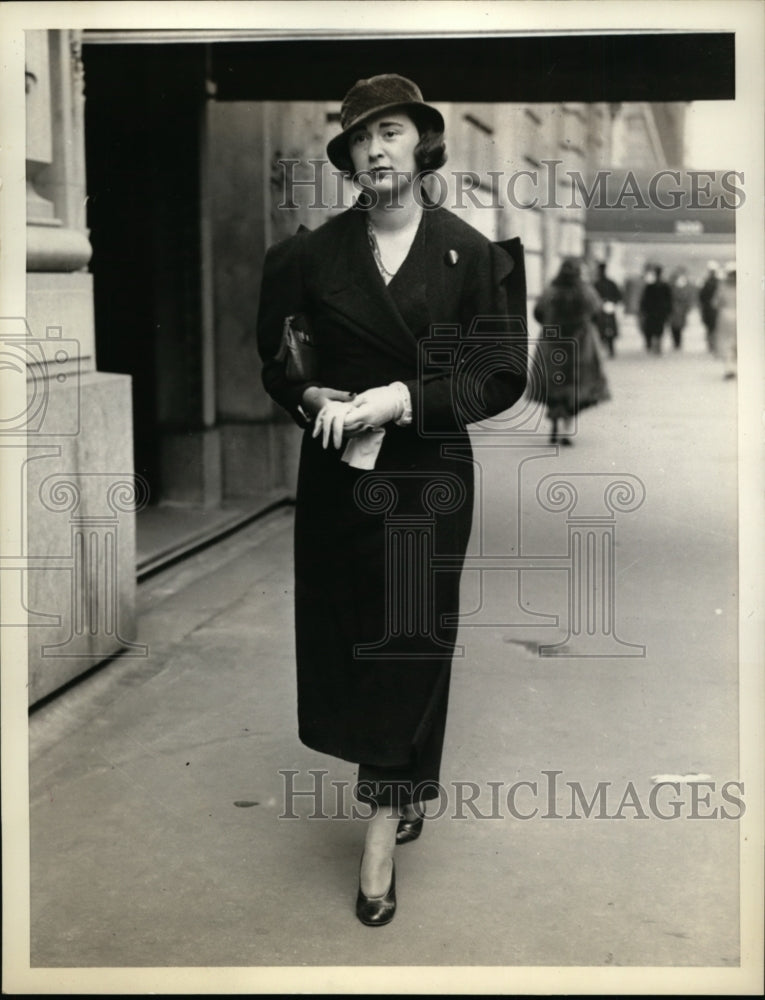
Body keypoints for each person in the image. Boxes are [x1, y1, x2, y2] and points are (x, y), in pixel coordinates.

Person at [257, 74, 527, 927]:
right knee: (352, 638)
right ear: (347, 156)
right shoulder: (310, 255)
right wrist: (315, 403)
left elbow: (498, 375)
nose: (377, 149)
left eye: (393, 133)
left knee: (412, 637)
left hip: (426, 478)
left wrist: (403, 399)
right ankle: (405, 781)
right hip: (339, 477)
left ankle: (379, 831)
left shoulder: (472, 255)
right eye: (362, 137)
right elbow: (278, 359)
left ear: (422, 146)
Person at [530, 257, 609, 445]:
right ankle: (566, 429)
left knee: (554, 383)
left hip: (553, 343)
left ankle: (555, 421)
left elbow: (538, 312)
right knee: (575, 386)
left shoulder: (551, 290)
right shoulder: (586, 291)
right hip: (579, 345)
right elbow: (597, 312)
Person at [638, 265, 672, 354]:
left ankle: (657, 346)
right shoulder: (651, 287)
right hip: (652, 311)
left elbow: (669, 300)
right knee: (651, 329)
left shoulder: (663, 287)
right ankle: (653, 345)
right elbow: (645, 299)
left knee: (658, 329)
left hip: (659, 311)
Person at [592, 260, 622, 357]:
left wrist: (611, 301)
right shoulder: (596, 284)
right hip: (599, 309)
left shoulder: (609, 283)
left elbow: (618, 296)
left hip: (608, 308)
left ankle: (610, 348)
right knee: (600, 329)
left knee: (609, 329)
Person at [715, 263, 737, 380]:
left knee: (726, 343)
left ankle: (729, 368)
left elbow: (716, 303)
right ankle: (733, 367)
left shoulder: (722, 287)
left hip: (725, 316)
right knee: (736, 343)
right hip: (740, 316)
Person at [668, 267, 695, 350]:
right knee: (675, 327)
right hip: (675, 310)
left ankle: (677, 342)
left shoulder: (680, 287)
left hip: (678, 310)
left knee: (677, 327)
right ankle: (677, 342)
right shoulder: (674, 287)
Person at [699, 262, 721, 354]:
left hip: (713, 309)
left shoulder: (715, 282)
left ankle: (713, 344)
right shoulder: (709, 282)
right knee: (711, 327)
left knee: (713, 327)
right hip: (709, 309)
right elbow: (701, 296)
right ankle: (711, 344)